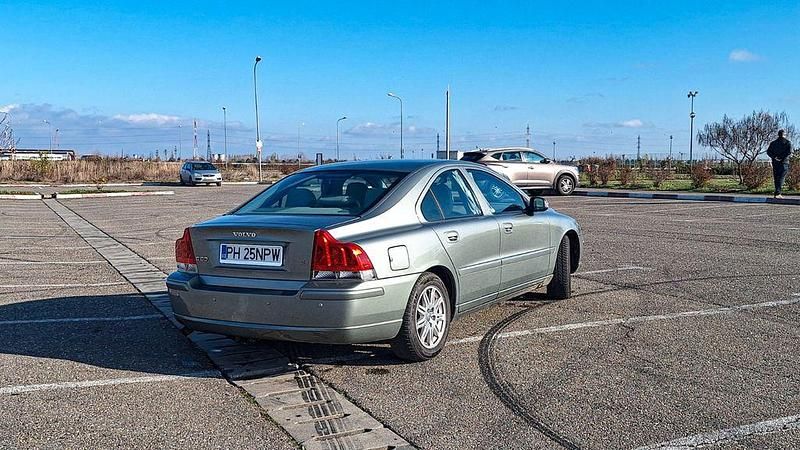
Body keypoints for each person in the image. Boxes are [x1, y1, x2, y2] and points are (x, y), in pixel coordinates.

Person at [767, 129, 792, 199]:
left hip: (775, 162)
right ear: (784, 135)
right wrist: (781, 157)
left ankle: (777, 192)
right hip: (784, 162)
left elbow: (768, 152)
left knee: (776, 177)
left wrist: (775, 157)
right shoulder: (787, 143)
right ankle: (778, 192)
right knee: (781, 177)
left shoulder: (773, 143)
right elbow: (789, 152)